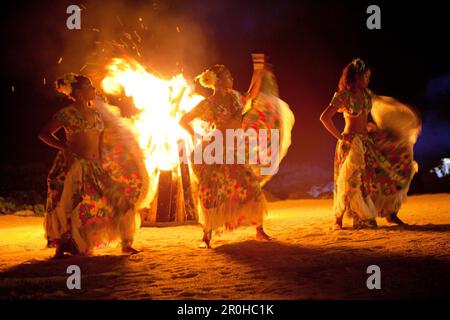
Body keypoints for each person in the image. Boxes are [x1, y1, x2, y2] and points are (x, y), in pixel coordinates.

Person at [180, 55, 294, 248]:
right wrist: (195, 137)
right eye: (228, 77)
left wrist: (257, 70)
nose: (232, 79)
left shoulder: (235, 97)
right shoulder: (208, 103)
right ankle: (206, 235)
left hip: (235, 150)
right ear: (219, 81)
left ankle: (259, 230)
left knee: (250, 184)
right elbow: (183, 120)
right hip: (215, 150)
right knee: (213, 191)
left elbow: (251, 94)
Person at [39, 73, 148, 258]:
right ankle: (62, 247)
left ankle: (125, 243)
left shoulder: (96, 115)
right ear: (80, 92)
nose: (94, 90)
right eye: (90, 87)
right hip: (75, 166)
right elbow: (44, 134)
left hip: (95, 166)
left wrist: (112, 161)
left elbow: (103, 142)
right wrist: (63, 147)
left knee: (118, 199)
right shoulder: (67, 113)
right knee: (70, 205)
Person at [320, 58, 420, 229]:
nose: (367, 80)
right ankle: (338, 219)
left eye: (368, 77)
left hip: (366, 143)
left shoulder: (367, 95)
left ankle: (385, 214)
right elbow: (324, 118)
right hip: (350, 144)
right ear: (356, 77)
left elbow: (379, 109)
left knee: (373, 179)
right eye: (365, 76)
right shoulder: (343, 96)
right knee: (348, 181)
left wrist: (391, 124)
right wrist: (339, 136)